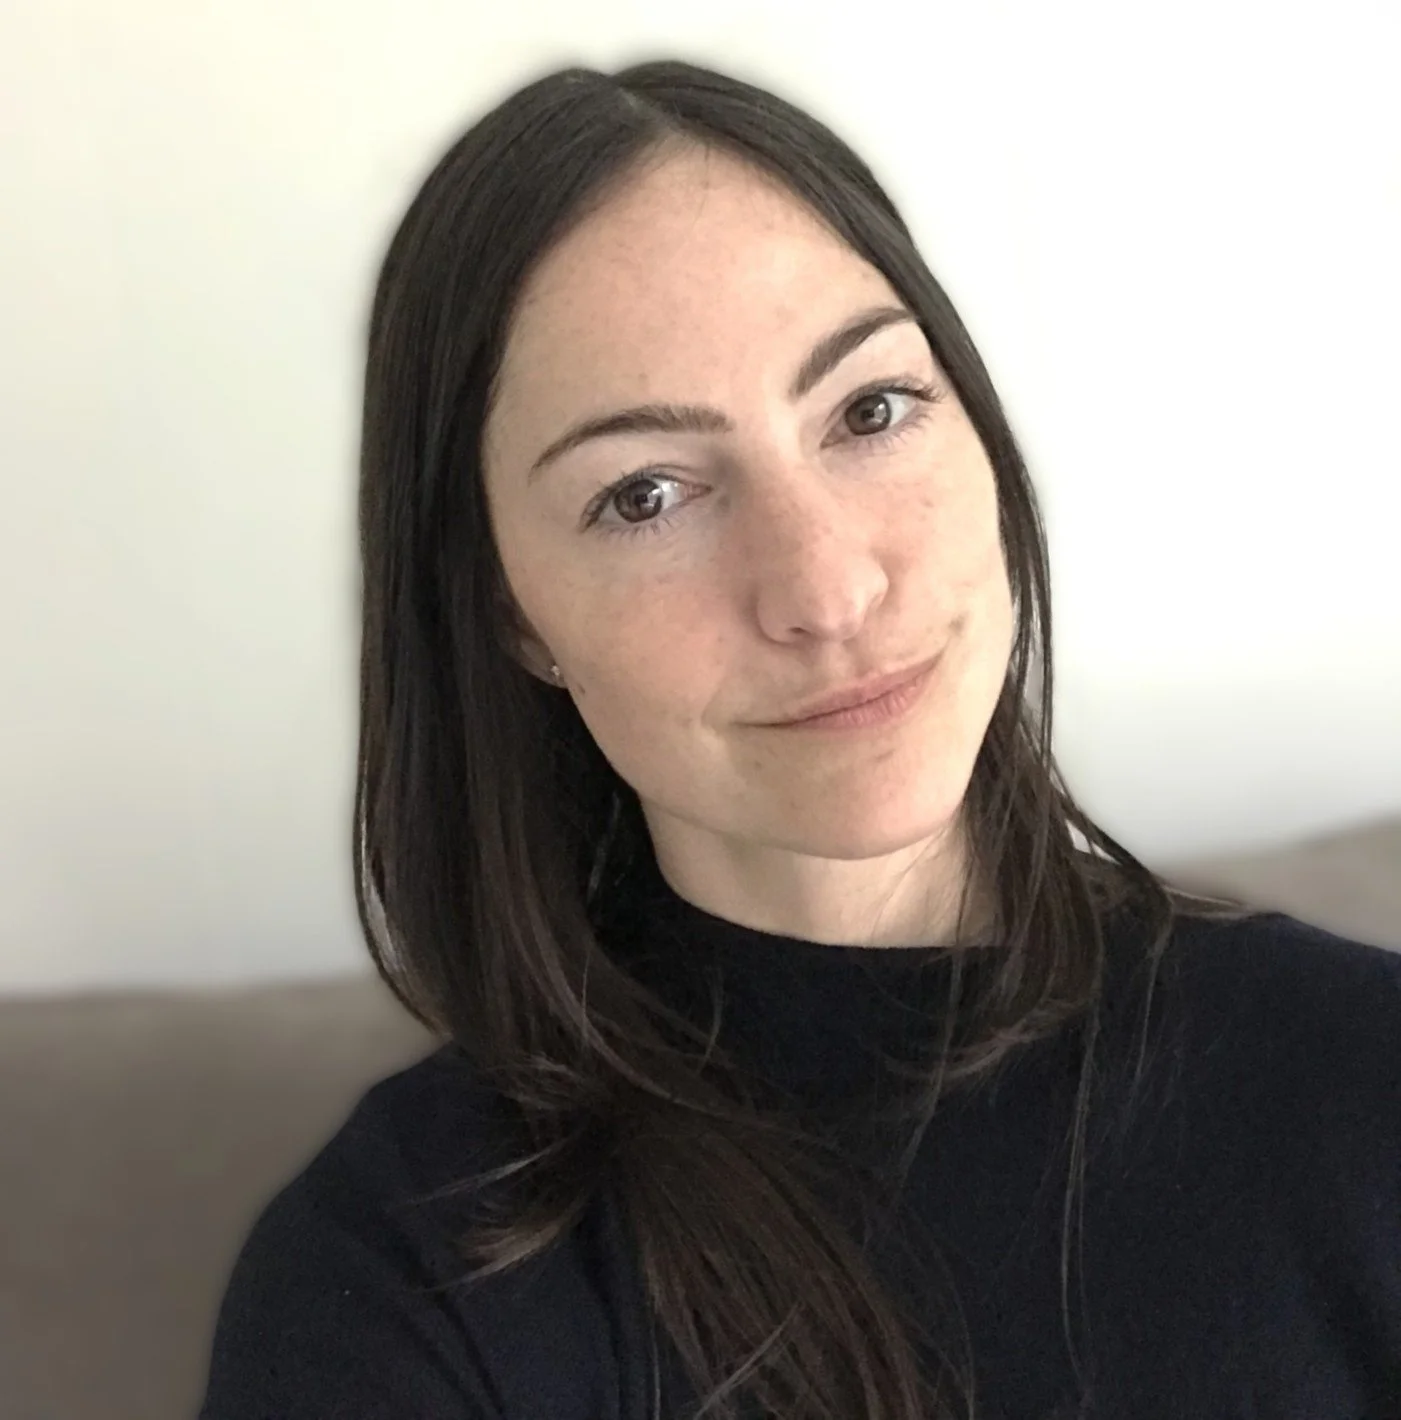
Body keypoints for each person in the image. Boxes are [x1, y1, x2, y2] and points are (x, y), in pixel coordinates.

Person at [197, 58, 1401, 1420]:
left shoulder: (1361, 1083)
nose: (826, 590)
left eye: (870, 410)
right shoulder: (395, 1285)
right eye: (645, 495)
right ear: (511, 616)